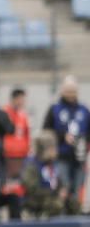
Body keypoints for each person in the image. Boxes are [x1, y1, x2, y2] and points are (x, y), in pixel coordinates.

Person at [42, 76, 89, 207]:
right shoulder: (54, 109)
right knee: (63, 188)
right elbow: (46, 131)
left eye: (73, 91)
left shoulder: (84, 110)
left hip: (80, 158)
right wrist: (63, 137)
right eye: (68, 91)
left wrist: (83, 143)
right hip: (60, 157)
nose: (70, 94)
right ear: (62, 90)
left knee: (77, 190)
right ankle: (62, 219)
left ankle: (75, 216)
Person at [22, 131, 80, 217]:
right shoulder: (32, 165)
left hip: (52, 197)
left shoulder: (52, 165)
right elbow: (33, 190)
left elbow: (58, 184)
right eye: (54, 148)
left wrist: (63, 191)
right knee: (56, 205)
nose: (56, 151)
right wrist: (55, 193)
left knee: (73, 203)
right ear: (46, 149)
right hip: (37, 201)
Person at [3, 87, 31, 178]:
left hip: (22, 155)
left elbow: (26, 134)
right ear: (14, 99)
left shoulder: (23, 115)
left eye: (23, 100)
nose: (22, 102)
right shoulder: (5, 113)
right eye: (20, 99)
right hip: (8, 155)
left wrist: (28, 149)